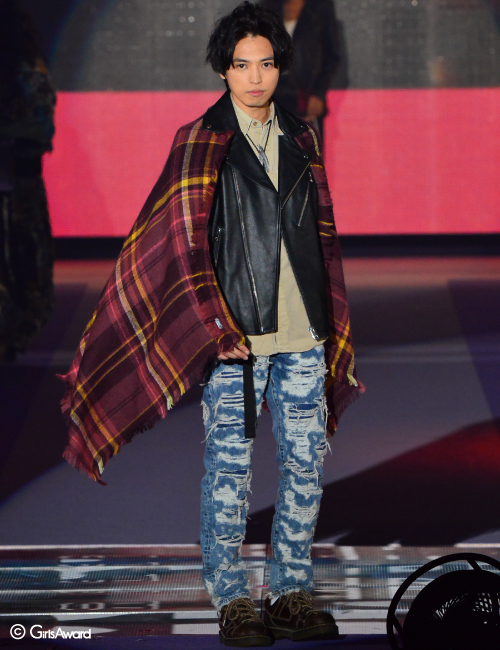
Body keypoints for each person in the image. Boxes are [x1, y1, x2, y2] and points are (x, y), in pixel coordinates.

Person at [60, 2, 362, 646]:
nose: (255, 77)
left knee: (305, 466)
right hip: (235, 341)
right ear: (223, 69)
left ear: (281, 67)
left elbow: (321, 240)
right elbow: (173, 243)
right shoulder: (199, 142)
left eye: (266, 64)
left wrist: (327, 321)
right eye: (242, 64)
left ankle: (290, 591)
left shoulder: (302, 137)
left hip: (303, 332)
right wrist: (208, 322)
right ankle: (231, 598)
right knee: (229, 473)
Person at [0, 0, 56, 363]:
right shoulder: (32, 73)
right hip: (21, 184)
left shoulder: (30, 76)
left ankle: (10, 335)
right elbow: (42, 128)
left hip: (20, 183)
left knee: (22, 262)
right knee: (24, 263)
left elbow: (41, 128)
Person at [260, 0, 341, 138]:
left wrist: (318, 93)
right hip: (272, 95)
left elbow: (332, 56)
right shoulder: (267, 6)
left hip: (305, 96)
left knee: (306, 147)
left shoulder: (320, 7)